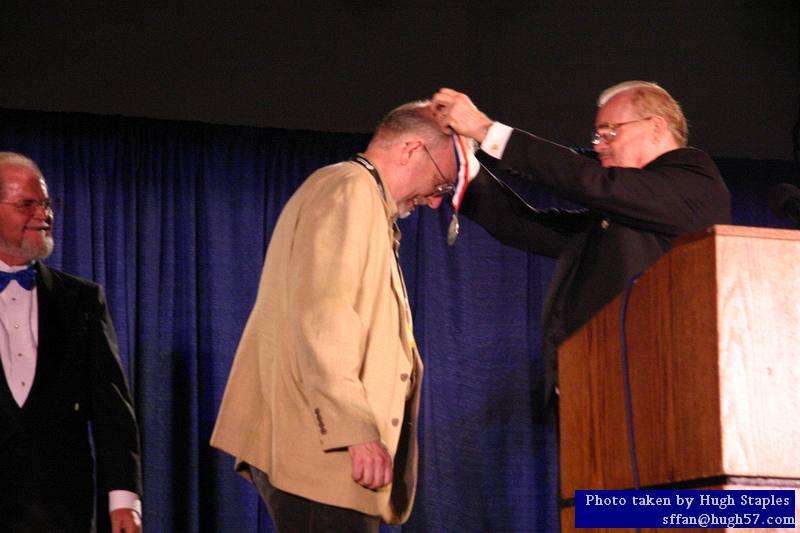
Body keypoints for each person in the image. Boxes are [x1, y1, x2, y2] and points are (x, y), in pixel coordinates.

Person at [211, 100, 461, 532]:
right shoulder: (349, 190)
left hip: (326, 458)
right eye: (441, 183)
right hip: (326, 456)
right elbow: (322, 315)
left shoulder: (359, 196)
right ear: (411, 150)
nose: (436, 202)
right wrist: (356, 430)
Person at [431, 81, 731, 400]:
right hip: (593, 385)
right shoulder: (625, 213)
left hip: (653, 390)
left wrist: (485, 129)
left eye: (609, 132)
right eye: (597, 136)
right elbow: (523, 225)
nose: (599, 145)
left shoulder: (695, 182)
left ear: (656, 127)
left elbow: (589, 181)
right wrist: (464, 171)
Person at [0, 152, 143, 533]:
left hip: (62, 510)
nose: (43, 215)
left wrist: (124, 498)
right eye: (27, 204)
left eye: (46, 204)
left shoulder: (81, 298)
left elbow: (112, 408)